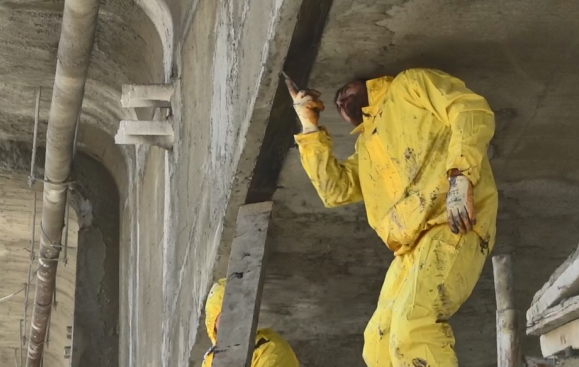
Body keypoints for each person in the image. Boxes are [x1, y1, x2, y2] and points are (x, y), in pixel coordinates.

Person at [289, 68, 498, 367]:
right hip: (409, 250)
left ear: (370, 84)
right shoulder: (366, 147)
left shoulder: (409, 85)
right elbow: (336, 190)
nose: (340, 100)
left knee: (414, 324)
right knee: (377, 345)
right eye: (337, 103)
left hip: (452, 221)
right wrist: (309, 126)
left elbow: (470, 109)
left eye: (346, 90)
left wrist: (461, 175)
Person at [201, 279, 300, 367]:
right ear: (213, 323)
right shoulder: (210, 360)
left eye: (238, 313)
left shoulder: (270, 350)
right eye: (225, 316)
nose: (233, 321)